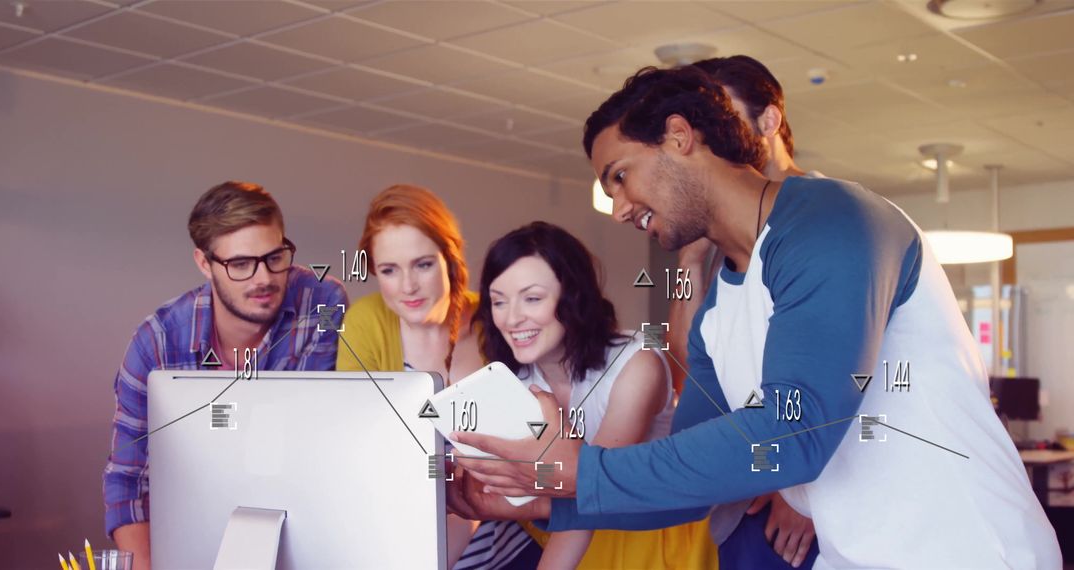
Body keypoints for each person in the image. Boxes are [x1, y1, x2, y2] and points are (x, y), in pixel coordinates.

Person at [451, 66, 1062, 568]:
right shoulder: (722, 306)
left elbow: (795, 430)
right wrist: (547, 502)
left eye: (619, 176)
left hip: (969, 551)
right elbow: (698, 474)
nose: (617, 207)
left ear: (678, 136)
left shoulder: (832, 220)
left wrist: (585, 471)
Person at [103, 181, 348, 570]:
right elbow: (128, 480)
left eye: (274, 256)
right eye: (240, 264)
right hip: (191, 537)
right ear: (204, 263)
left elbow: (312, 445)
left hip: (297, 530)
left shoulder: (321, 301)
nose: (264, 278)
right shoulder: (158, 343)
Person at [469, 221, 714, 569]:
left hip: (648, 544)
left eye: (533, 298)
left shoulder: (636, 365)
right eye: (498, 302)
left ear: (573, 297)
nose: (511, 318)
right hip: (560, 537)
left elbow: (592, 492)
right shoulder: (513, 376)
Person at [336, 184, 540, 570]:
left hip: (511, 546)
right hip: (414, 547)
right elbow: (359, 451)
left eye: (423, 264)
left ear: (450, 258)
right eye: (389, 270)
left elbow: (539, 444)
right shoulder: (366, 323)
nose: (407, 286)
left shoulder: (496, 319)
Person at [668, 55, 818, 569]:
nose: (707, 140)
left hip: (808, 511)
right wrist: (692, 254)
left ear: (770, 121)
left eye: (722, 119)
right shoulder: (726, 242)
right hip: (741, 501)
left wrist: (805, 498)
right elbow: (690, 369)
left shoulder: (825, 218)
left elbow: (867, 377)